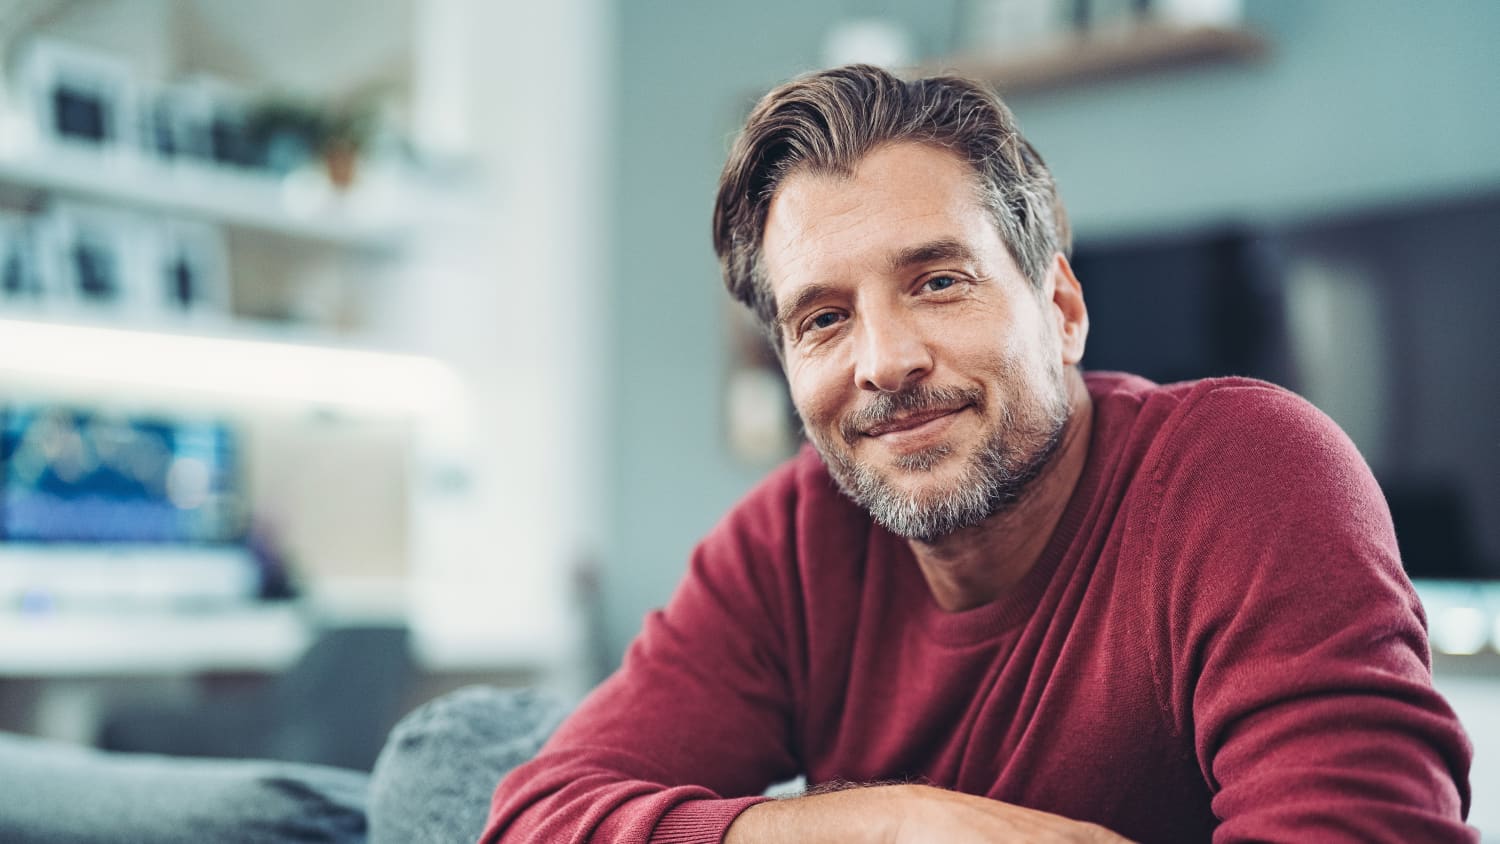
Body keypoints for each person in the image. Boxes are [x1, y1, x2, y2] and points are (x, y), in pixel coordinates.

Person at [482, 64, 1475, 843]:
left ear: (1062, 307)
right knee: (445, 761)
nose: (885, 361)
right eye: (824, 318)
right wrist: (893, 822)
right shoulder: (791, 539)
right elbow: (530, 819)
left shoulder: (1248, 470)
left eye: (939, 282)